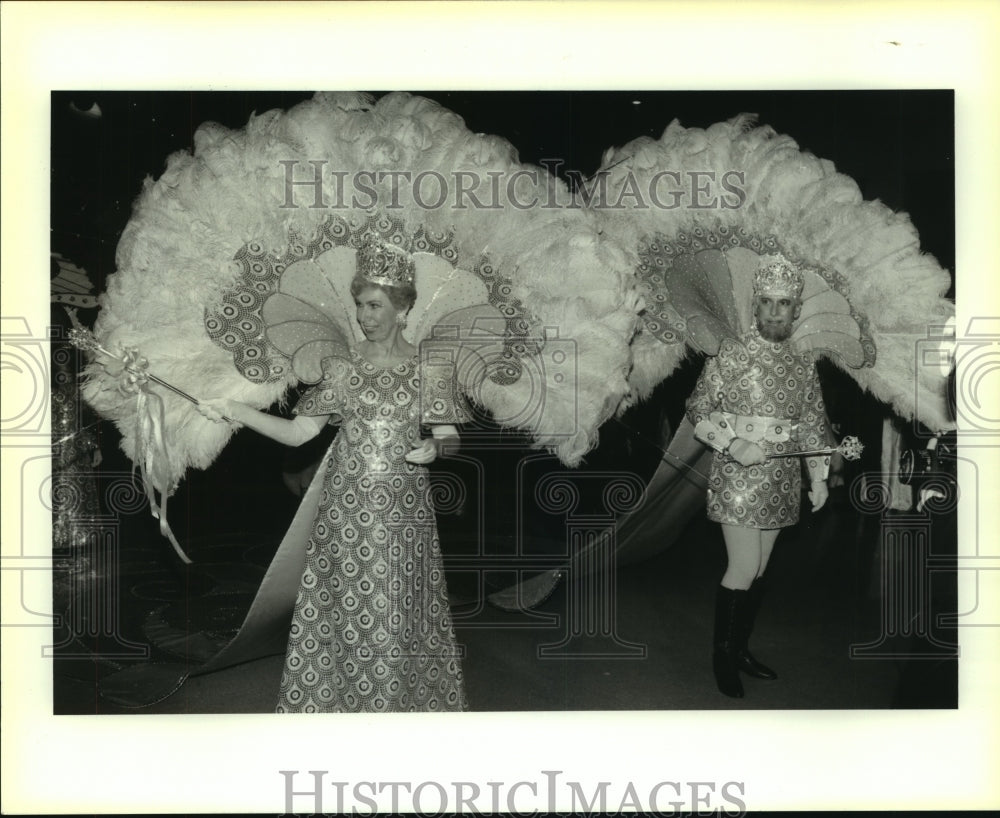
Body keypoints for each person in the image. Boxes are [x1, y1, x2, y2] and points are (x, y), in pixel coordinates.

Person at [198, 240, 468, 712]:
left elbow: (450, 435)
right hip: (346, 511)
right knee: (345, 608)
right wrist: (236, 409)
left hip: (405, 516)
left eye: (375, 305)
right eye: (360, 304)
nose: (365, 316)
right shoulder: (342, 368)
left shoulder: (432, 366)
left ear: (403, 308)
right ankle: (337, 707)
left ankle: (400, 710)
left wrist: (436, 446)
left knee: (398, 610)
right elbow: (300, 433)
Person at [686, 254, 830, 698]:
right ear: (754, 305)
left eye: (783, 303)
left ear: (796, 310)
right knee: (744, 565)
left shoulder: (804, 363)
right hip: (738, 475)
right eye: (766, 301)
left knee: (762, 567)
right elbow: (697, 409)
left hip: (783, 476)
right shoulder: (732, 352)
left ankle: (741, 650)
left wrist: (819, 476)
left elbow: (812, 421)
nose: (773, 310)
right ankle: (723, 657)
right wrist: (731, 443)